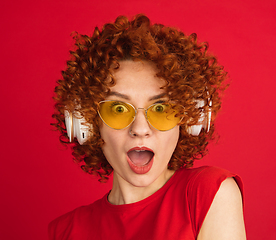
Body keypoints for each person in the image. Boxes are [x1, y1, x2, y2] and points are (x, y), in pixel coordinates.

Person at [49, 14, 246, 240]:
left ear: (188, 121)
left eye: (161, 109)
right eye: (119, 109)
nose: (140, 129)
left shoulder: (208, 193)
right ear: (88, 122)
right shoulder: (66, 231)